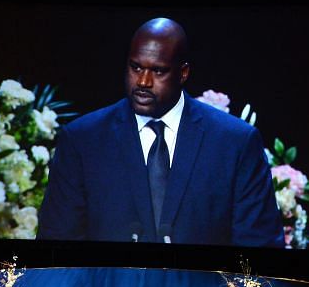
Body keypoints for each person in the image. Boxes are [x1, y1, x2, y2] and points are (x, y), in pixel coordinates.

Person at [38, 18, 283, 247]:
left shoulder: (234, 143)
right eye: (135, 67)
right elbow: (57, 247)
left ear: (183, 73)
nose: (143, 82)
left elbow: (259, 251)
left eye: (158, 71)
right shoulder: (83, 140)